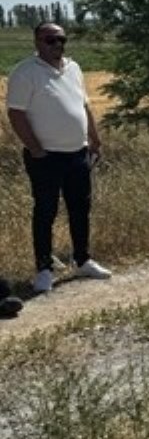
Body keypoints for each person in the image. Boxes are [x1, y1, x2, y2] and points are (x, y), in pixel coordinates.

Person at [6, 22, 111, 293]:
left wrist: (94, 139)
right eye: (51, 40)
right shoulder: (25, 73)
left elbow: (83, 105)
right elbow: (16, 114)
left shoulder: (73, 68)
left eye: (61, 39)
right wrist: (35, 148)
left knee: (80, 208)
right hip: (45, 157)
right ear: (37, 42)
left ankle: (83, 259)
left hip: (78, 153)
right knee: (45, 212)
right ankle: (44, 269)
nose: (58, 45)